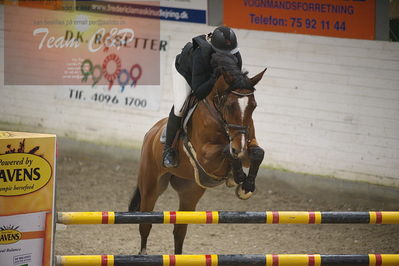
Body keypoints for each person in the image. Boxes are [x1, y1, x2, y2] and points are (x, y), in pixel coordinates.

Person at [162, 26, 243, 168]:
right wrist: (214, 77)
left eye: (228, 54)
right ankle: (168, 149)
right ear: (213, 49)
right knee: (180, 106)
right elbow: (199, 91)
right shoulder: (201, 54)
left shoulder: (235, 55)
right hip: (186, 73)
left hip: (209, 75)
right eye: (222, 54)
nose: (227, 57)